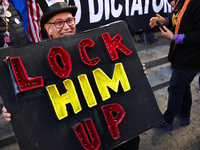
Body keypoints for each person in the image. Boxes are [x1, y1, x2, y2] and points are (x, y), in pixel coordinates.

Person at [2, 1, 151, 149]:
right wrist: (16, 109)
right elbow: (33, 98)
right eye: (58, 23)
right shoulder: (38, 62)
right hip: (79, 138)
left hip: (113, 129)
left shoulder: (93, 45)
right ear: (48, 29)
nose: (66, 27)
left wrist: (135, 72)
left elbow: (117, 71)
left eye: (69, 20)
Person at [149, 0, 200, 131]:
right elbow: (179, 20)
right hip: (180, 54)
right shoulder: (182, 1)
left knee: (175, 89)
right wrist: (165, 21)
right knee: (183, 86)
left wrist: (175, 38)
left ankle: (167, 121)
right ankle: (184, 115)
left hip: (190, 57)